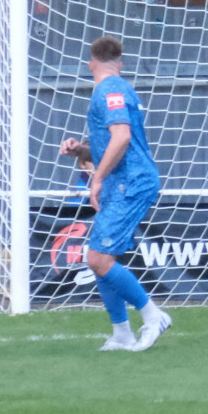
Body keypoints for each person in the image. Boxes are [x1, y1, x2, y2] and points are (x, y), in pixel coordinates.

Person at [59, 36, 170, 352]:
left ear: (90, 63)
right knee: (98, 257)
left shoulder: (109, 89)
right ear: (119, 62)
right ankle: (122, 334)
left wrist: (97, 178)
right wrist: (80, 149)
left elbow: (121, 139)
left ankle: (153, 316)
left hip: (130, 182)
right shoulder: (116, 89)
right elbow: (111, 143)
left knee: (99, 258)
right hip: (121, 182)